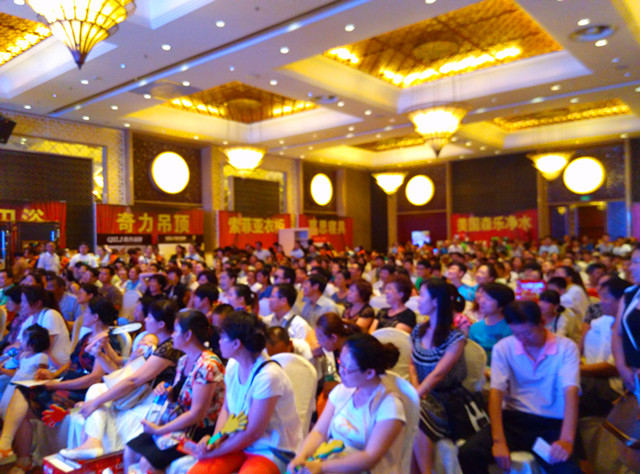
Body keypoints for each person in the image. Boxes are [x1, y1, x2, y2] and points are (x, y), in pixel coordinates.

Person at [458, 300, 581, 474]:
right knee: (469, 453)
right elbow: (496, 393)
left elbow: (571, 391)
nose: (522, 340)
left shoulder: (566, 348)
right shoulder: (504, 347)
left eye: (527, 333)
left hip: (550, 425)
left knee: (567, 470)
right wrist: (498, 441)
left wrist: (566, 440)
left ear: (542, 322)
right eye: (517, 334)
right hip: (514, 422)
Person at [0, 297, 121, 468]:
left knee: (26, 401)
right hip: (68, 381)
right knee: (22, 391)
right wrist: (53, 375)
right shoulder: (87, 336)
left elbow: (94, 378)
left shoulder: (107, 341)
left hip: (82, 390)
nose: (83, 315)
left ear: (96, 317)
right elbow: (70, 363)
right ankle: (10, 449)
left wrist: (57, 384)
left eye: (87, 312)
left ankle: (17, 456)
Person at [186, 311, 302, 474]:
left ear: (236, 344)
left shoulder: (269, 376)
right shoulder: (233, 364)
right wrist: (215, 440)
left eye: (222, 337)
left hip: (270, 449)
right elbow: (227, 408)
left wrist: (214, 452)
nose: (219, 341)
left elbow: (253, 433)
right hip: (238, 441)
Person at [72, 300, 183, 458]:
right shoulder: (161, 345)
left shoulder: (169, 348)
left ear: (161, 324)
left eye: (149, 317)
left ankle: (93, 444)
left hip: (157, 399)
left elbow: (133, 380)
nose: (145, 319)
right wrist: (103, 353)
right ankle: (92, 443)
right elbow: (126, 372)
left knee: (98, 395)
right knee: (97, 390)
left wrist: (96, 402)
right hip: (143, 394)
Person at [287, 333, 406, 473]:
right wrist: (302, 456)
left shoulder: (390, 406)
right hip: (332, 462)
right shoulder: (342, 390)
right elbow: (319, 432)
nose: (340, 372)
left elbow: (369, 458)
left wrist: (321, 467)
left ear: (369, 373)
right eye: (340, 363)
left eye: (346, 369)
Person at [124, 311, 225, 472]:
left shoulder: (208, 365)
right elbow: (177, 399)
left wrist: (160, 430)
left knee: (147, 463)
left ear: (188, 335)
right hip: (177, 424)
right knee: (130, 450)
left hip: (197, 431)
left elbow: (197, 414)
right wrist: (167, 392)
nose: (172, 335)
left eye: (176, 330)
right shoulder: (183, 360)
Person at [409, 278, 468, 473]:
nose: (417, 300)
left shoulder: (455, 337)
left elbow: (438, 374)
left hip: (448, 400)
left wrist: (416, 396)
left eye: (422, 295)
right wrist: (416, 389)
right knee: (407, 408)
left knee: (417, 412)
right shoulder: (418, 330)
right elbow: (411, 364)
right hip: (423, 393)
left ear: (436, 301)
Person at [580, 277, 630, 417]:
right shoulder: (604, 321)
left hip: (614, 386)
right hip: (595, 376)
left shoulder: (628, 327)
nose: (601, 302)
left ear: (621, 300)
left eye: (606, 297)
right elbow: (583, 339)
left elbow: (612, 368)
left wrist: (576, 369)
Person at [0, 324, 49, 416]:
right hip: (14, 384)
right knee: (6, 407)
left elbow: (41, 375)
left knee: (15, 411)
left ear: (31, 345)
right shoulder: (23, 356)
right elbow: (17, 373)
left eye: (24, 339)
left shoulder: (41, 357)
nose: (21, 342)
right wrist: (3, 370)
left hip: (26, 388)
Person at [19, 285, 71, 369]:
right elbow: (20, 343)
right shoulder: (30, 319)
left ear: (38, 303)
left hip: (54, 363)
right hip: (37, 360)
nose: (21, 305)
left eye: (24, 302)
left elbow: (44, 347)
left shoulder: (50, 315)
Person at [468, 283, 514, 365]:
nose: (482, 301)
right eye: (482, 297)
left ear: (502, 305)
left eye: (488, 299)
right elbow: (473, 356)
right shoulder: (475, 328)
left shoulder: (512, 328)